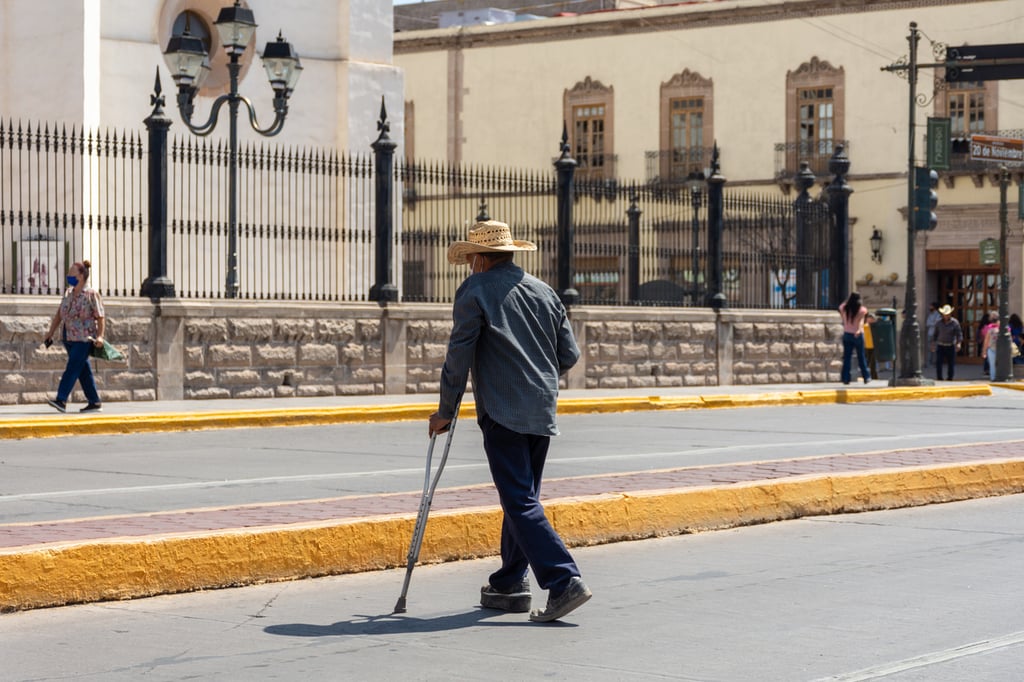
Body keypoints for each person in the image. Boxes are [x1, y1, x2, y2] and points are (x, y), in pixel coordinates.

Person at [428, 219, 591, 623]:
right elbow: (567, 355)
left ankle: (563, 580)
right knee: (522, 497)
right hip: (542, 408)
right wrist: (536, 372)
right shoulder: (544, 291)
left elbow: (458, 355)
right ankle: (508, 583)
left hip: (503, 411)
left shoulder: (475, 290)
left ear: (481, 259)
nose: (469, 266)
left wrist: (445, 410)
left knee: (518, 499)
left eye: (470, 259)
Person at [43, 260, 105, 413]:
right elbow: (60, 314)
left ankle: (61, 399)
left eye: (72, 273)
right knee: (82, 370)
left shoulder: (91, 294)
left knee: (72, 368)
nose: (69, 276)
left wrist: (100, 336)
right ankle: (94, 401)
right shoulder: (68, 293)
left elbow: (100, 316)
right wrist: (50, 332)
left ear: (81, 276)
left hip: (84, 338)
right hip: (68, 337)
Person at [838, 291, 874, 385]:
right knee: (861, 356)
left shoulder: (844, 308)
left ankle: (846, 378)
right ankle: (866, 376)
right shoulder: (861, 310)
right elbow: (862, 319)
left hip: (847, 334)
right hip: (858, 335)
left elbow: (841, 307)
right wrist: (858, 329)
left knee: (847, 357)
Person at [930, 304, 963, 381]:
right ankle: (939, 377)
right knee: (939, 362)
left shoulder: (955, 323)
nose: (946, 316)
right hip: (940, 345)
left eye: (947, 314)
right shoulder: (938, 323)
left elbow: (959, 334)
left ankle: (950, 377)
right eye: (945, 314)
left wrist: (959, 343)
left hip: (950, 345)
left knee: (951, 363)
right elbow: (935, 334)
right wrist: (933, 344)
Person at [925, 302, 941, 368]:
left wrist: (932, 323)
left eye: (931, 306)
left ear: (934, 307)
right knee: (929, 349)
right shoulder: (930, 315)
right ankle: (929, 363)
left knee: (936, 349)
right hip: (930, 333)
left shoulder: (938, 315)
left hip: (936, 334)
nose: (929, 307)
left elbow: (937, 323)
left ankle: (936, 363)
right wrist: (933, 322)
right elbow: (927, 323)